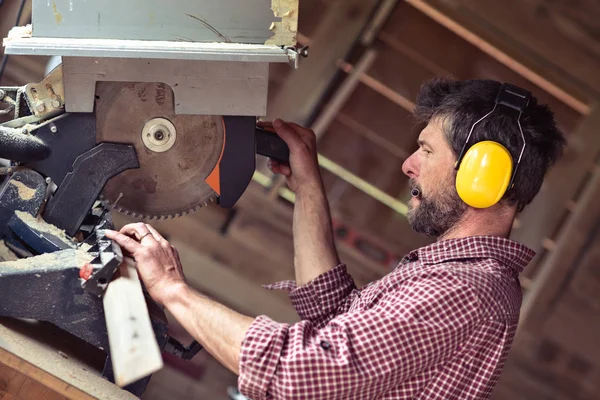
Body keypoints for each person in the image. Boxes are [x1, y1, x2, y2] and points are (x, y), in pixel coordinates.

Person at [106, 77, 566, 399]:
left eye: (426, 150)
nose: (409, 164)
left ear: (482, 174)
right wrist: (307, 186)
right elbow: (334, 317)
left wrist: (173, 291)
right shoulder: (454, 274)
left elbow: (301, 375)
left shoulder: (465, 291)